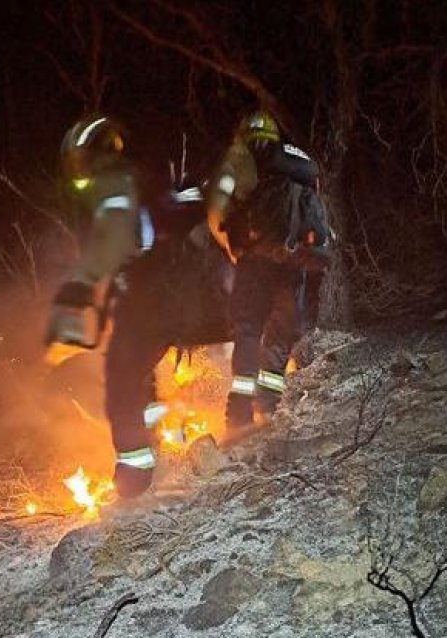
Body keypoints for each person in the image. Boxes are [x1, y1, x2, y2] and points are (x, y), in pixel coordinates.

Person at [45, 113, 232, 498]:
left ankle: (133, 481)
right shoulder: (144, 180)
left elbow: (114, 241)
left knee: (121, 382)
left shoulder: (113, 183)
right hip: (171, 300)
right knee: (137, 374)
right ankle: (161, 441)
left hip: (149, 299)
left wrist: (81, 283)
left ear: (90, 155)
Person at [205, 110, 332, 436]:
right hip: (293, 265)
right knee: (280, 333)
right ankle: (269, 407)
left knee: (248, 330)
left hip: (255, 261)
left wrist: (233, 248)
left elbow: (216, 210)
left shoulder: (242, 160)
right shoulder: (296, 165)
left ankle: (239, 415)